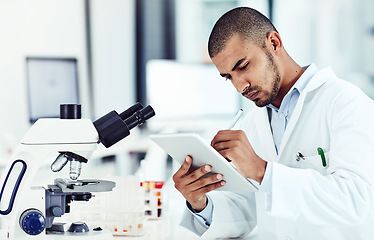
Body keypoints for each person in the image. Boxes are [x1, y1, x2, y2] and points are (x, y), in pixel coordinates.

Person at [172, 6, 374, 240]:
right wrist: (200, 202)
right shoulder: (253, 123)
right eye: (229, 77)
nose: (239, 87)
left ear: (274, 43)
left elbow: (357, 201)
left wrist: (263, 171)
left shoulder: (346, 102)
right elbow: (248, 210)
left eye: (243, 66)